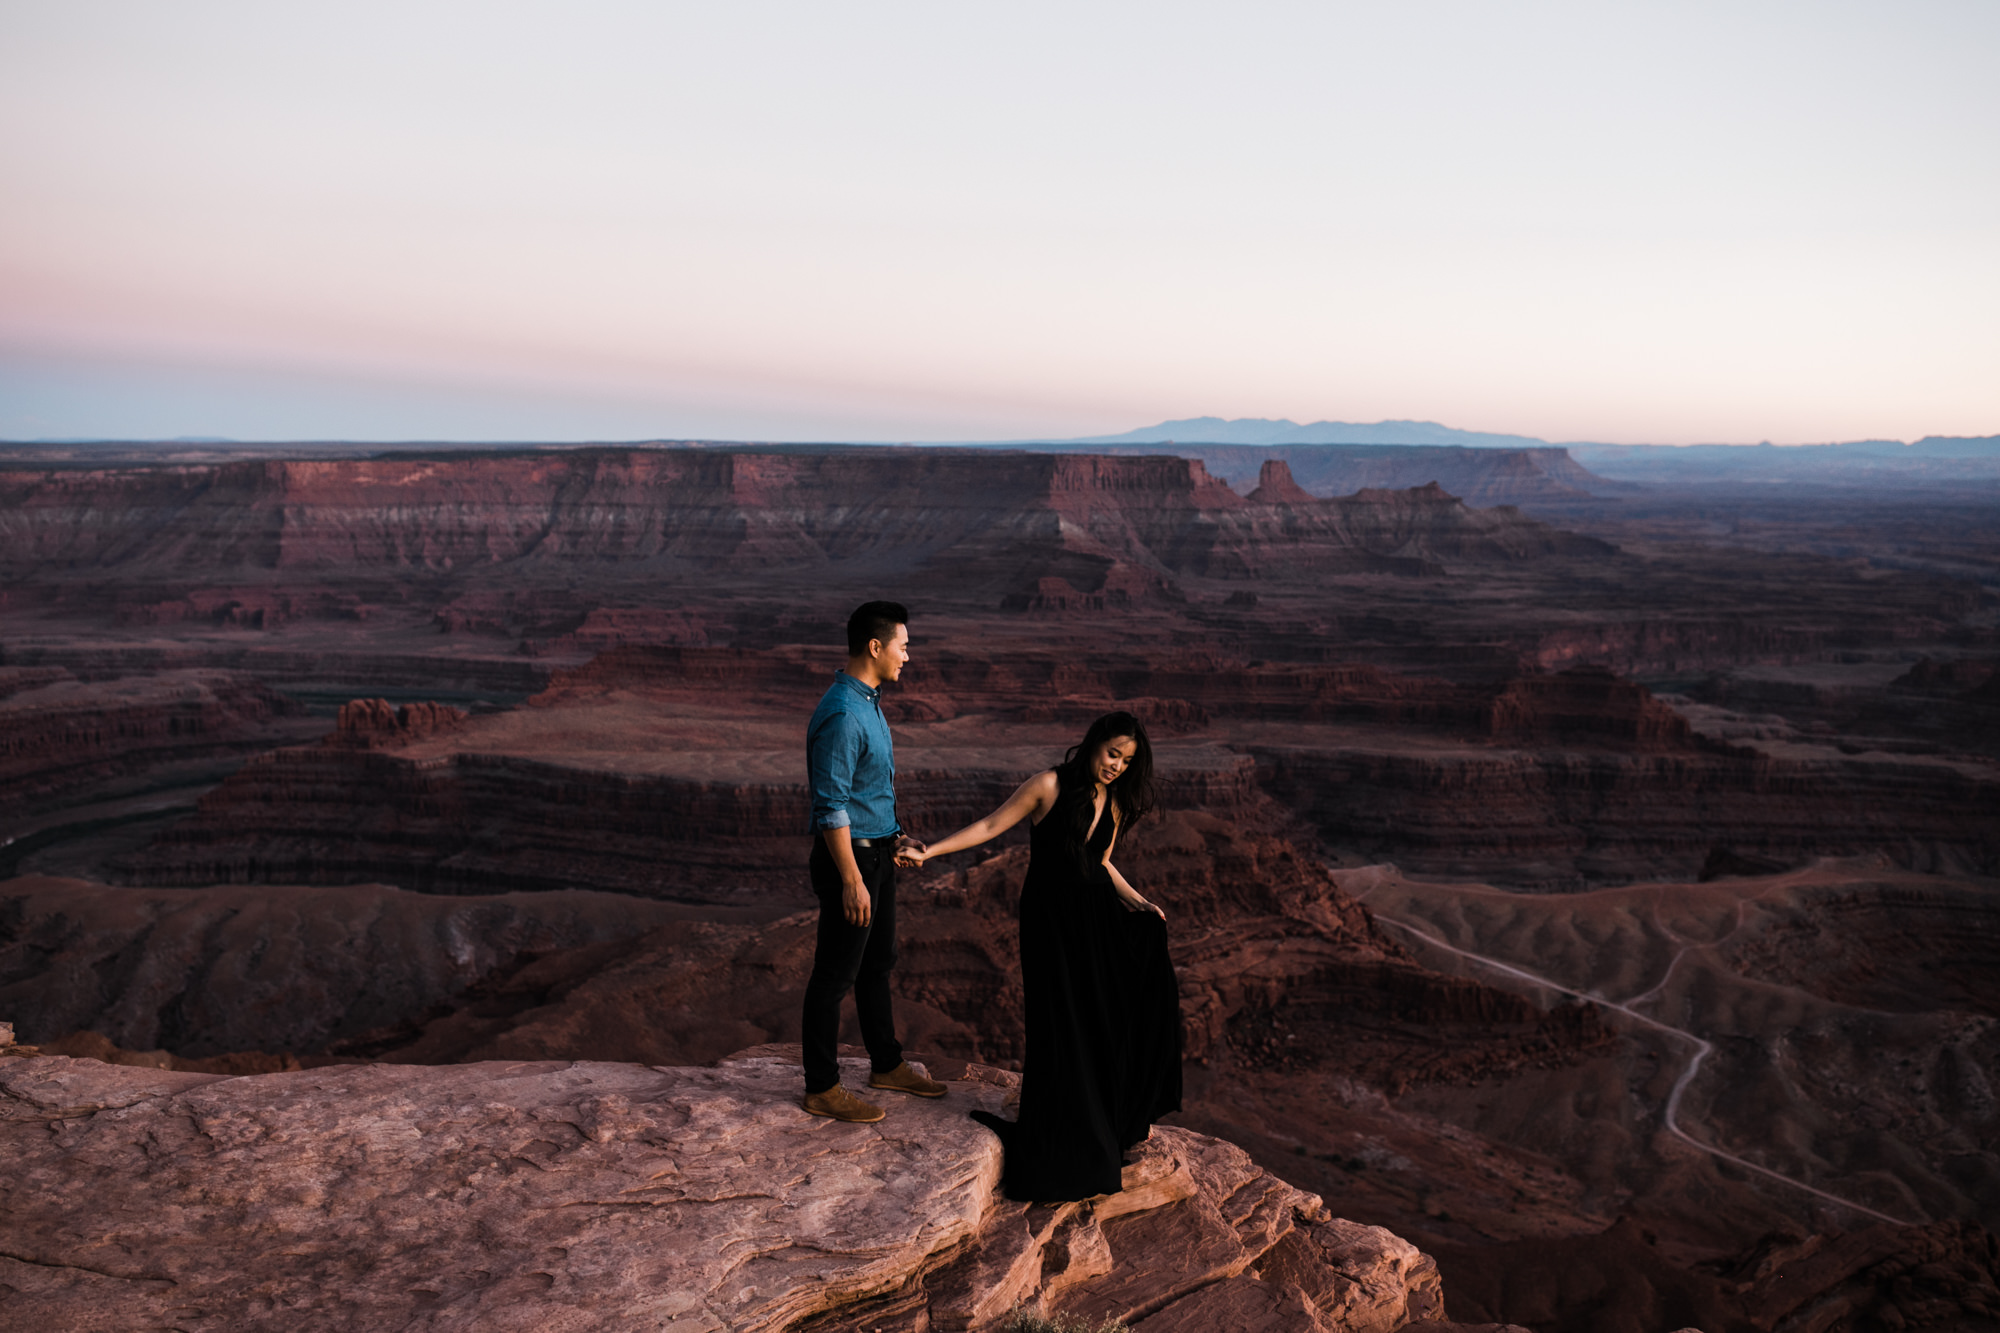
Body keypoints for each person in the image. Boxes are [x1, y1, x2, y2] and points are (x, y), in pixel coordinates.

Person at [903, 711, 1182, 1201]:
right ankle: (1054, 1129)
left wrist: (1138, 902)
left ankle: (1105, 1119)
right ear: (1094, 743)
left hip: (1097, 920)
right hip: (1049, 924)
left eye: (1127, 760)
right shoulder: (1047, 785)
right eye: (1113, 753)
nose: (1117, 766)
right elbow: (990, 824)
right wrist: (931, 853)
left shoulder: (1113, 803)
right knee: (1057, 1022)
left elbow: (1100, 863)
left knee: (1101, 1018)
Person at [799, 600, 945, 1122]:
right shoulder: (843, 713)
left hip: (878, 852)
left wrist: (897, 836)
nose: (909, 656)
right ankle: (821, 1087)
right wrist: (851, 880)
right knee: (834, 976)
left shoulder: (868, 700)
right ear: (876, 647)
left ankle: (885, 1064)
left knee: (877, 966)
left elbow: (869, 791)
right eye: (904, 646)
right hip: (852, 862)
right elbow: (831, 806)